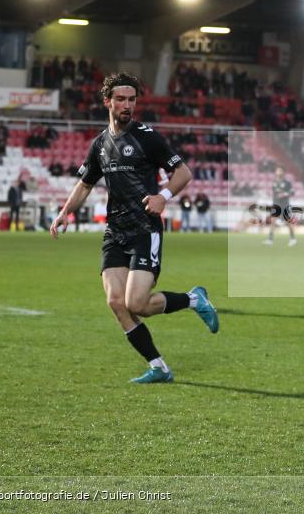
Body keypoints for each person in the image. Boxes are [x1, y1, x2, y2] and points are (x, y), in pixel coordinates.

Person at [49, 72, 219, 384]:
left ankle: (194, 299)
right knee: (116, 302)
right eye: (121, 99)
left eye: (132, 100)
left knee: (137, 303)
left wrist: (163, 196)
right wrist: (64, 213)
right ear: (107, 102)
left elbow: (183, 172)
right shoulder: (99, 144)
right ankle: (159, 367)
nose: (128, 105)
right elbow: (85, 185)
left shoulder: (147, 137)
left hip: (145, 229)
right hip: (115, 232)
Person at [264, 167, 296, 246]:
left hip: (284, 205)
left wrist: (284, 194)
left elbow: (292, 192)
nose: (278, 172)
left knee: (288, 222)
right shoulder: (274, 182)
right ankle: (270, 239)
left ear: (283, 172)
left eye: (280, 170)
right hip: (276, 205)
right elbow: (275, 193)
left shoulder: (287, 183)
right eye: (277, 170)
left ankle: (293, 238)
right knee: (273, 222)